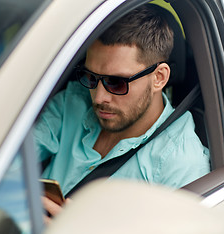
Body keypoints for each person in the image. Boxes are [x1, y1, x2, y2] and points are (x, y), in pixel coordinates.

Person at [34, 5, 210, 220]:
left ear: (159, 78)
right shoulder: (72, 103)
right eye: (91, 77)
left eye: (116, 83)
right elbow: (7, 159)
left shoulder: (181, 165)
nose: (98, 98)